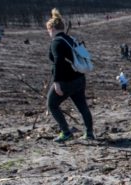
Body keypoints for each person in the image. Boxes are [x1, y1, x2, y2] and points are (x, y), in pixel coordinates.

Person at [46, 8, 94, 142]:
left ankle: (66, 132)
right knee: (82, 106)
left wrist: (56, 83)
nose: (48, 33)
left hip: (66, 81)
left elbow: (58, 62)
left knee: (51, 104)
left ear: (52, 29)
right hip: (79, 78)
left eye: (48, 30)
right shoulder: (70, 39)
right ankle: (89, 133)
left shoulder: (56, 42)